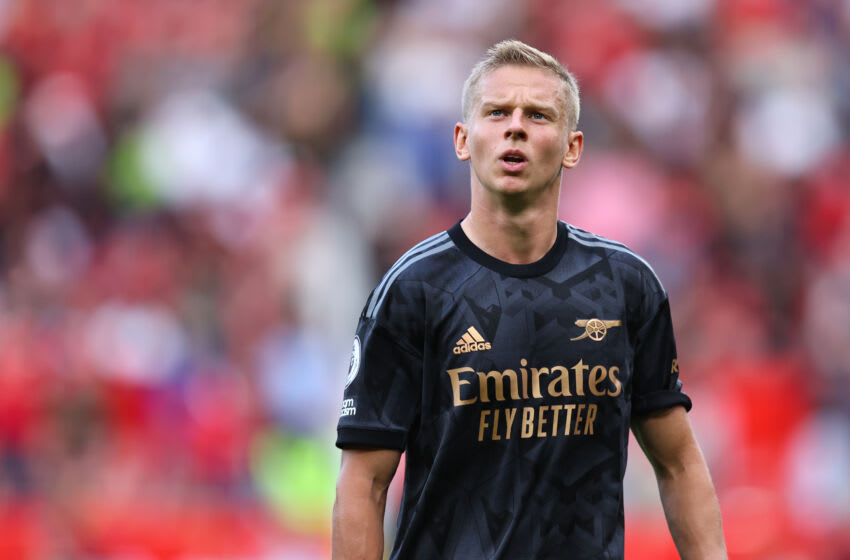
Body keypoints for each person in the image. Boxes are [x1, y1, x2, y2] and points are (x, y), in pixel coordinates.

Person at [333, 39, 727, 559]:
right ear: (463, 139)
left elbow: (678, 462)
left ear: (572, 147)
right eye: (496, 112)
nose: (515, 126)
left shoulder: (625, 285)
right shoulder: (413, 291)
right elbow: (364, 483)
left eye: (538, 115)